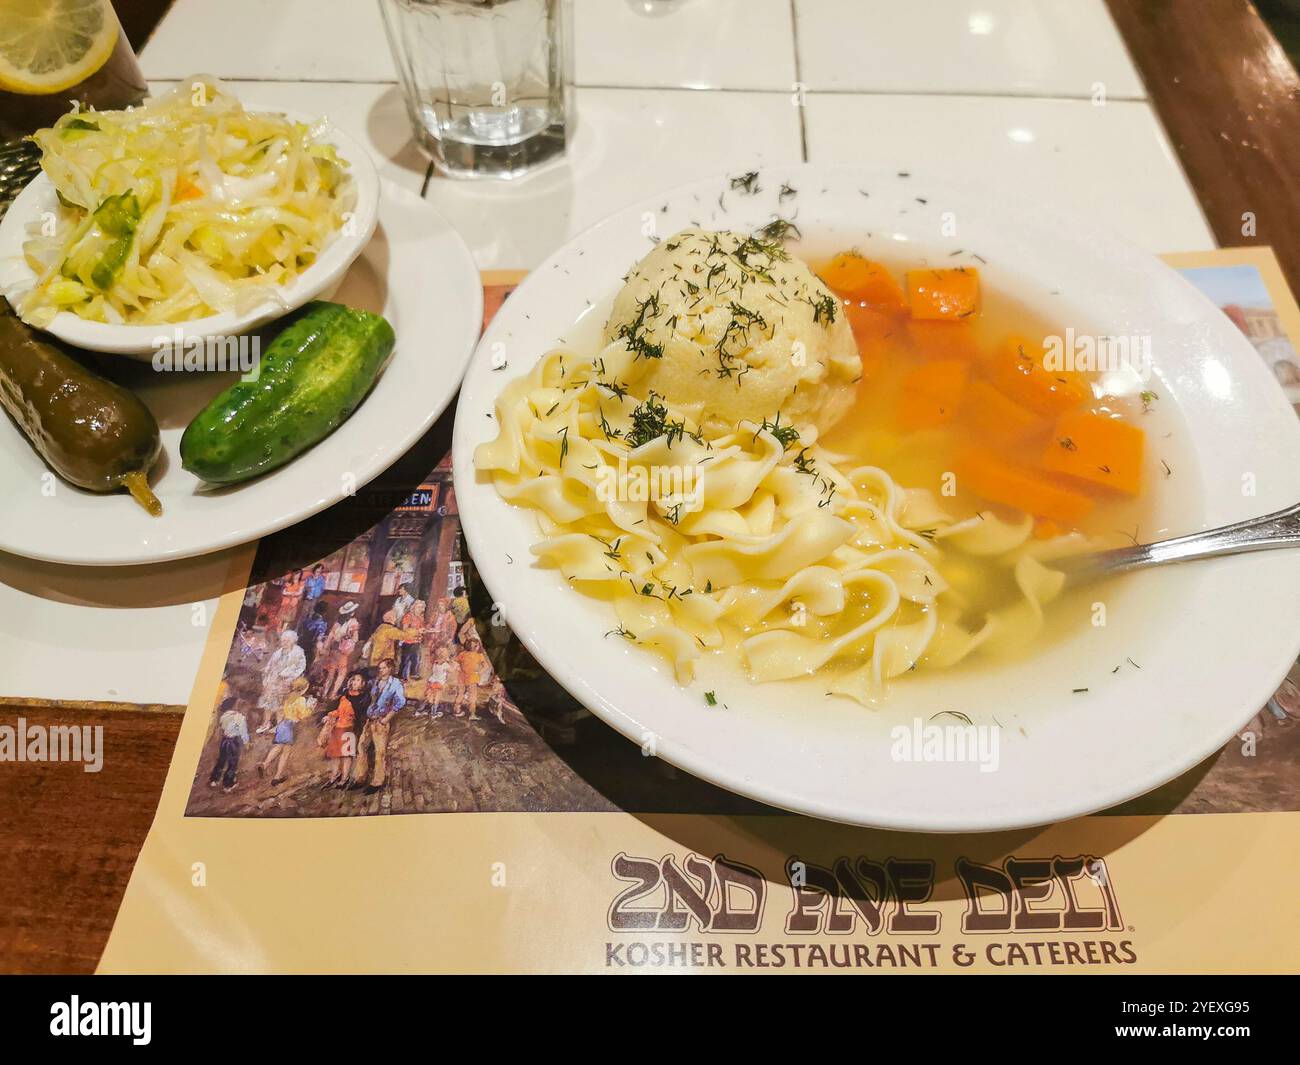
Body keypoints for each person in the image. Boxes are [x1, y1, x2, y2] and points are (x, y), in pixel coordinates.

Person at [352, 658, 405, 793]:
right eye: (379, 668)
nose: (380, 670)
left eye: (383, 668)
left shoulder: (396, 684)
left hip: (381, 721)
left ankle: (377, 781)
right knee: (362, 746)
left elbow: (400, 703)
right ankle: (360, 778)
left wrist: (386, 719)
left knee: (379, 752)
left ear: (390, 669)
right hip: (370, 719)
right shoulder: (375, 682)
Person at [257, 677, 314, 785]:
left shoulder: (289, 697)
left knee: (278, 747)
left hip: (282, 724)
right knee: (286, 752)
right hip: (289, 726)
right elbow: (302, 714)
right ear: (303, 689)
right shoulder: (300, 700)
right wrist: (310, 708)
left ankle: (264, 764)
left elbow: (284, 711)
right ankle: (277, 776)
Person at [320, 672, 367, 787]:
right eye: (353, 680)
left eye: (358, 680)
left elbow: (359, 716)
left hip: (349, 729)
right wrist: (329, 715)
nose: (355, 682)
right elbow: (339, 711)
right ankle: (334, 775)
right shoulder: (345, 695)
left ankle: (344, 778)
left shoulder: (362, 698)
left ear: (362, 684)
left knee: (346, 754)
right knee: (335, 754)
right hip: (338, 728)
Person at [257, 629, 306, 732]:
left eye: (287, 641)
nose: (284, 643)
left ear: (293, 641)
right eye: (283, 641)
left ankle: (279, 726)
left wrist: (291, 677)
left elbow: (301, 667)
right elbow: (270, 664)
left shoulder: (298, 653)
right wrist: (266, 669)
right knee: (268, 703)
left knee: (280, 705)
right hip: (273, 680)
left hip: (285, 682)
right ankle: (266, 723)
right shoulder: (278, 652)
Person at [208, 697, 249, 792]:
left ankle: (214, 780)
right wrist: (246, 742)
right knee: (232, 763)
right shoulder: (239, 717)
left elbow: (222, 726)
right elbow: (243, 732)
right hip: (233, 742)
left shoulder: (224, 716)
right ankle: (228, 785)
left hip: (224, 740)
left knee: (221, 760)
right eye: (237, 704)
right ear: (234, 705)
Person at [363, 610, 422, 674]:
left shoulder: (380, 627)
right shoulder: (389, 630)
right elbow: (403, 635)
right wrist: (417, 631)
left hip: (375, 659)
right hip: (382, 660)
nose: (396, 619)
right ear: (391, 619)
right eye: (395, 617)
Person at [322, 602, 360, 699]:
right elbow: (355, 639)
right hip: (343, 651)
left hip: (333, 650)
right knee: (341, 673)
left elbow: (330, 636)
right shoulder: (353, 623)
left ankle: (324, 693)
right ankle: (332, 694)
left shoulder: (337, 623)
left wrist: (326, 647)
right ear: (352, 613)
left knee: (331, 673)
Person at [455, 630, 492, 721]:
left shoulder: (463, 654)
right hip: (470, 677)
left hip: (463, 676)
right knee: (472, 696)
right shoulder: (478, 655)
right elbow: (486, 666)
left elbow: (455, 662)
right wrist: (479, 672)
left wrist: (459, 668)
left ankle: (457, 711)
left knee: (462, 694)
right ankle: (471, 714)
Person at [397, 599, 426, 680]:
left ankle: (414, 674)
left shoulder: (420, 617)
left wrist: (423, 630)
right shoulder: (408, 616)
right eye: (419, 607)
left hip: (417, 641)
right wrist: (417, 631)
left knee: (416, 658)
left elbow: (421, 627)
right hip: (408, 641)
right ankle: (402, 676)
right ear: (414, 607)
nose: (420, 609)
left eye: (422, 608)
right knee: (405, 659)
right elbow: (405, 629)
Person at [298, 601, 329, 673]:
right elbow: (319, 639)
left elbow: (299, 631)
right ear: (325, 612)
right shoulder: (322, 624)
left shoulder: (306, 620)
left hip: (300, 643)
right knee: (305, 667)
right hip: (310, 647)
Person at [424, 646, 454, 718]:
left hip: (431, 681)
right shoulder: (445, 665)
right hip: (439, 683)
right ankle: (433, 713)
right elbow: (451, 671)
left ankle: (422, 709)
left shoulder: (435, 662)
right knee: (437, 697)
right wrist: (452, 663)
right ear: (445, 656)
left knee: (430, 695)